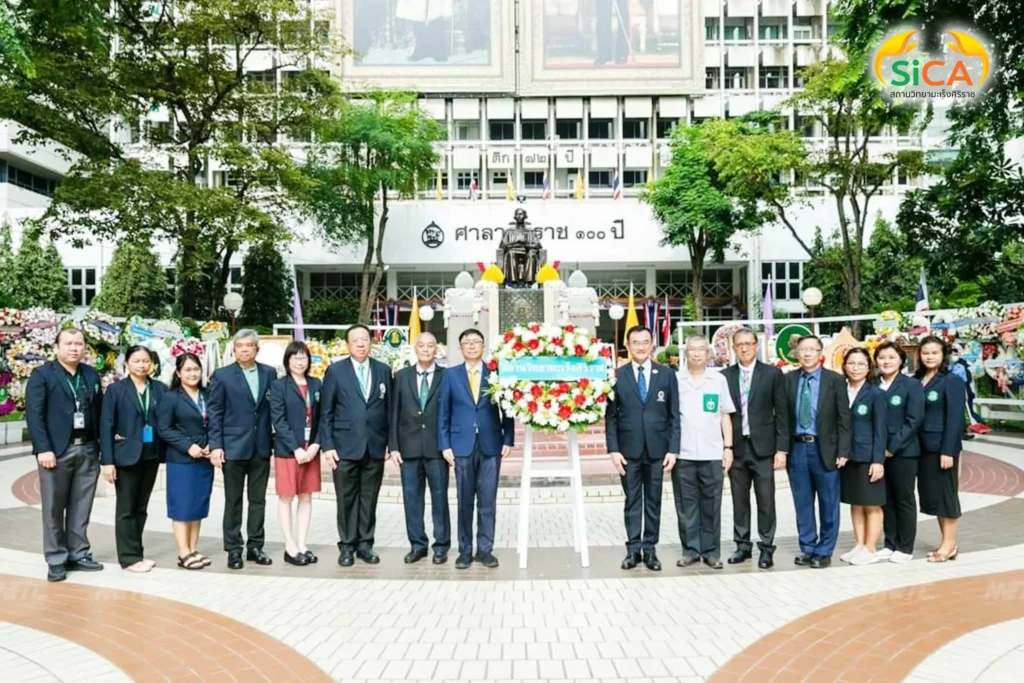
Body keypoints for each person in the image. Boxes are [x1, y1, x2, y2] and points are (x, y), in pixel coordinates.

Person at [26, 328, 105, 582]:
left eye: (79, 344)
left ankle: (78, 553)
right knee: (53, 507)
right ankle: (56, 558)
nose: (74, 348)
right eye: (68, 343)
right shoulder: (42, 375)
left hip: (88, 447)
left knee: (81, 506)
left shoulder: (91, 375)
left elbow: (99, 411)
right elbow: (34, 415)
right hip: (57, 451)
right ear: (57, 347)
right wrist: (43, 448)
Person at [437, 328, 514, 569]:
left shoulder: (496, 373)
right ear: (460, 348)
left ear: (483, 346)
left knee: (488, 500)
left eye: (476, 342)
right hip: (461, 446)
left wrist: (508, 438)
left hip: (491, 444)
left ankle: (485, 549)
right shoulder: (450, 375)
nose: (471, 346)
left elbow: (507, 408)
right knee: (464, 500)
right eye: (466, 342)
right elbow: (443, 413)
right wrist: (444, 444)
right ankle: (465, 550)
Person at [606, 325, 680, 572]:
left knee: (653, 501)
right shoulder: (616, 376)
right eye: (635, 342)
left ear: (652, 345)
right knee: (632, 501)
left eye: (645, 342)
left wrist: (673, 449)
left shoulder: (667, 374)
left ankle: (650, 550)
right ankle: (632, 550)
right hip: (628, 452)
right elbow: (611, 418)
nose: (640, 346)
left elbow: (674, 416)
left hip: (658, 451)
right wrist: (613, 450)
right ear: (627, 345)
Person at [320, 324, 393, 567]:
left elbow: (390, 411)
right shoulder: (335, 371)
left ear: (371, 342)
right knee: (346, 498)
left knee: (369, 498)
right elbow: (326, 412)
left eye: (365, 339)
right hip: (344, 447)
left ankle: (365, 545)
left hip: (374, 445)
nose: (361, 344)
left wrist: (391, 444)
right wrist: (327, 445)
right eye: (355, 340)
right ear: (347, 344)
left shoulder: (383, 370)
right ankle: (347, 546)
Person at [721, 328, 790, 569]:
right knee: (739, 501)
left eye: (748, 344)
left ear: (756, 346)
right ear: (733, 347)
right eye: (739, 344)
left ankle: (767, 547)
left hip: (764, 448)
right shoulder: (724, 376)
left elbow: (782, 413)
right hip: (737, 448)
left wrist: (782, 449)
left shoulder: (772, 374)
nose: (744, 348)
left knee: (766, 500)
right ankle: (742, 545)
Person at [207, 329, 277, 569]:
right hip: (233, 447)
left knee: (258, 500)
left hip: (261, 447)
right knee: (233, 501)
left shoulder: (269, 373)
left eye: (249, 345)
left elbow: (273, 409)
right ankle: (233, 549)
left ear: (257, 349)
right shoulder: (222, 376)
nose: (245, 349)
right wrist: (216, 445)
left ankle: (255, 546)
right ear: (234, 349)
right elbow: (214, 413)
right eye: (240, 346)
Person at [786, 335, 851, 569]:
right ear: (797, 353)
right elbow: (782, 418)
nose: (806, 354)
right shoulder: (789, 379)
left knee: (828, 502)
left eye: (812, 349)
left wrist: (843, 450)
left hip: (825, 449)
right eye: (802, 349)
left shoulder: (834, 381)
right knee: (802, 502)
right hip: (797, 448)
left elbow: (844, 418)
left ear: (820, 352)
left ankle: (824, 550)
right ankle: (807, 547)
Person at [99, 346, 166, 573]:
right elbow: (106, 426)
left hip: (151, 455)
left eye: (146, 361)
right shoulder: (116, 390)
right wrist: (107, 461)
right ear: (127, 363)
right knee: (126, 508)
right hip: (125, 456)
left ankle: (137, 552)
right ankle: (128, 558)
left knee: (141, 507)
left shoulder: (159, 389)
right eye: (136, 360)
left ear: (152, 364)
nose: (142, 365)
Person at [673, 335, 735, 570]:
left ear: (708, 353)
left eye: (701, 349)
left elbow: (725, 415)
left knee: (711, 504)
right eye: (692, 350)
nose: (697, 354)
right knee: (686, 505)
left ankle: (710, 551)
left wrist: (728, 448)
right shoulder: (676, 380)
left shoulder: (718, 380)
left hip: (712, 453)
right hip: (683, 454)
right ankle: (690, 550)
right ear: (685, 353)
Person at [389, 332, 450, 565]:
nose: (426, 349)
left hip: (437, 449)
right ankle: (417, 545)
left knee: (439, 500)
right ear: (415, 348)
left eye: (430, 345)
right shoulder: (402, 376)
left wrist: (448, 445)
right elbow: (394, 412)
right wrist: (394, 446)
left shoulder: (446, 376)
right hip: (408, 449)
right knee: (412, 499)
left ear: (437, 349)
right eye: (421, 345)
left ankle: (441, 546)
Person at [157, 352, 214, 570]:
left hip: (204, 458)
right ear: (179, 373)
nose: (193, 374)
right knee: (182, 506)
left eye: (196, 369)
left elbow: (215, 421)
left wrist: (211, 443)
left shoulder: (207, 394)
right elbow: (164, 428)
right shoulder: (171, 397)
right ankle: (183, 552)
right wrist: (187, 446)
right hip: (181, 459)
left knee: (198, 505)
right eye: (188, 370)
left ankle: (194, 548)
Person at [270, 341, 323, 567]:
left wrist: (315, 445)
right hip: (288, 451)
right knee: (286, 497)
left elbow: (323, 417)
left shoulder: (316, 383)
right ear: (287, 361)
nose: (300, 362)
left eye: (304, 357)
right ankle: (289, 545)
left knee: (306, 496)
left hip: (311, 450)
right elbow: (278, 421)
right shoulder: (279, 386)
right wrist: (296, 448)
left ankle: (302, 544)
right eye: (295, 358)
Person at [915, 336, 966, 563]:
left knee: (946, 496)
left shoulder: (951, 380)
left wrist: (948, 450)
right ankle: (945, 541)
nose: (929, 357)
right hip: (921, 448)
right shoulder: (916, 379)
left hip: (942, 449)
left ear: (943, 354)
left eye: (934, 352)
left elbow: (955, 419)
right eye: (925, 352)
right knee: (933, 497)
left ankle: (949, 544)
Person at [874, 341, 924, 563]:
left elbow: (913, 420)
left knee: (904, 498)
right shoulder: (873, 384)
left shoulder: (911, 385)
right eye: (882, 357)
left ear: (901, 361)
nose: (886, 361)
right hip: (877, 452)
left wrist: (891, 447)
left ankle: (905, 547)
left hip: (903, 452)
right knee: (885, 499)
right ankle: (889, 542)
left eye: (891, 357)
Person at [837, 348, 887, 566]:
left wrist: (878, 460)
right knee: (855, 502)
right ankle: (859, 544)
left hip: (868, 457)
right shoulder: (840, 390)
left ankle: (871, 547)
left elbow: (881, 429)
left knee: (872, 504)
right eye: (851, 363)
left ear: (869, 368)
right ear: (844, 366)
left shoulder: (876, 394)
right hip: (848, 457)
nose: (855, 368)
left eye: (861, 364)